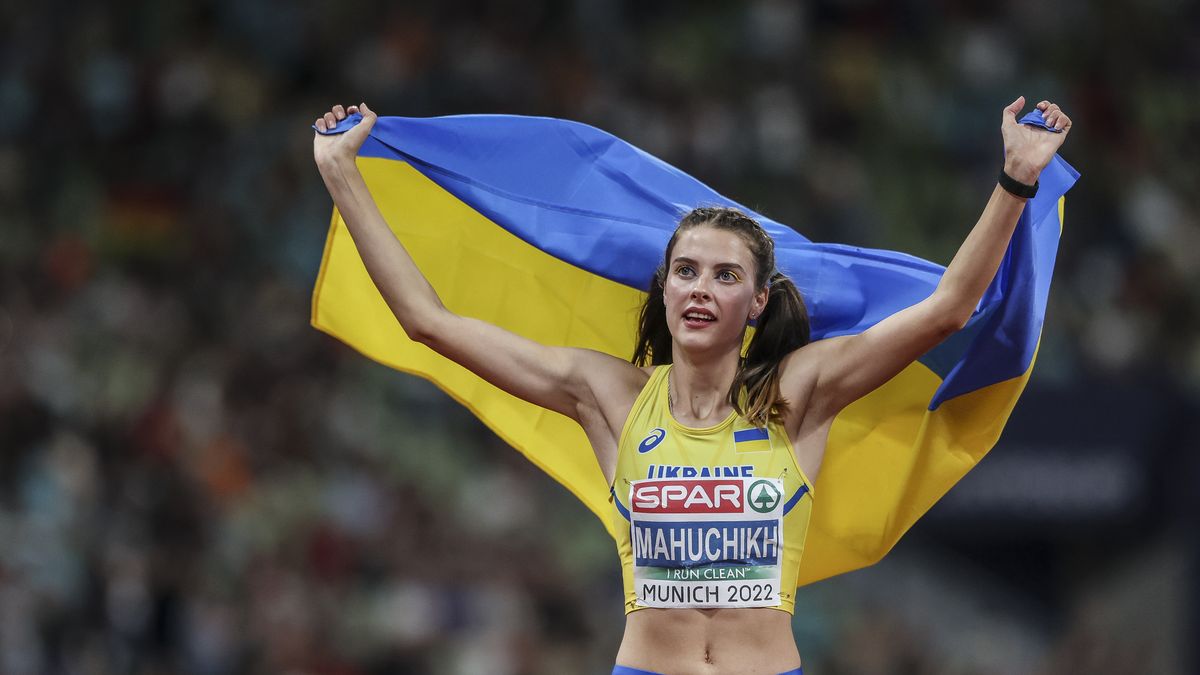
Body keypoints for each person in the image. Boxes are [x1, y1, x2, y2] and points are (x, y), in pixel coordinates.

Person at [312, 96, 1071, 675]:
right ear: (665, 289)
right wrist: (342, 172)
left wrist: (1016, 178)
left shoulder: (797, 393)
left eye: (725, 274)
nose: (702, 288)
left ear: (757, 301)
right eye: (686, 270)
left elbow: (949, 309)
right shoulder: (605, 393)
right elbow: (427, 321)